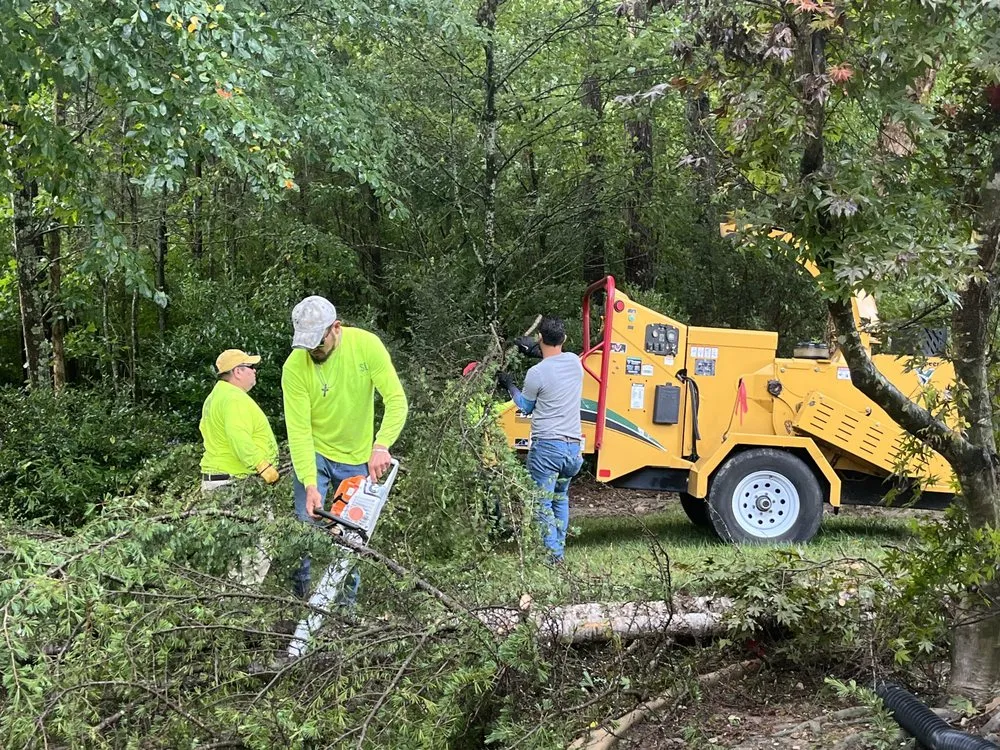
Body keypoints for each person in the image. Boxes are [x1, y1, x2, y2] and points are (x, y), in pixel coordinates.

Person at [282, 296, 408, 599]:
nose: (313, 350)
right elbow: (298, 431)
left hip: (356, 459)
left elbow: (396, 401)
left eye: (318, 342)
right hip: (315, 454)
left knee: (353, 539)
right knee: (305, 530)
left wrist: (381, 445)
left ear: (336, 328)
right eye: (307, 344)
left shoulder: (366, 346)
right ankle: (296, 604)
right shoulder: (294, 368)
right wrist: (310, 483)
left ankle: (345, 612)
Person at [497, 316, 583, 563]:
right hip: (573, 449)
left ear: (540, 338)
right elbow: (555, 361)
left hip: (548, 448)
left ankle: (553, 556)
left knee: (541, 502)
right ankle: (559, 548)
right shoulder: (575, 363)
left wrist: (509, 385)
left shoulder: (536, 373)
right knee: (561, 497)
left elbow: (525, 405)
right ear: (564, 339)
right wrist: (537, 350)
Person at [199, 349, 280, 492]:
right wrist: (263, 466)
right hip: (232, 482)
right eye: (251, 367)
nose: (255, 371)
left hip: (220, 478)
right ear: (237, 371)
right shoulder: (234, 398)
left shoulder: (215, 396)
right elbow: (239, 437)